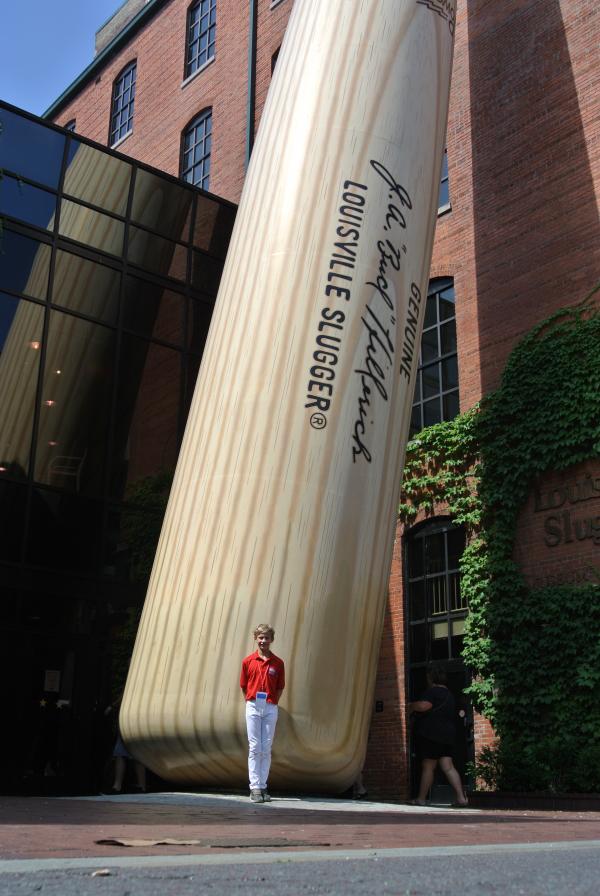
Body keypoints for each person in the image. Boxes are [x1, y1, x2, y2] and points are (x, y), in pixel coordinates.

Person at [407, 664, 468, 807]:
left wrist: (410, 705)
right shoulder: (449, 695)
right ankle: (461, 798)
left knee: (428, 766)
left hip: (432, 735)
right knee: (448, 766)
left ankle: (421, 799)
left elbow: (424, 706)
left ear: (430, 677)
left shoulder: (432, 691)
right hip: (448, 736)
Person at [240, 623, 285, 803]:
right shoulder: (248, 661)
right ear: (255, 639)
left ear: (271, 640)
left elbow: (280, 687)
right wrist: (251, 700)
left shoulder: (278, 663)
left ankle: (263, 786)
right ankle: (254, 787)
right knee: (254, 746)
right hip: (252, 705)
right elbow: (243, 685)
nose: (263, 641)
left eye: (266, 638)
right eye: (260, 637)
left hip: (270, 706)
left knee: (266, 748)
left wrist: (272, 703)